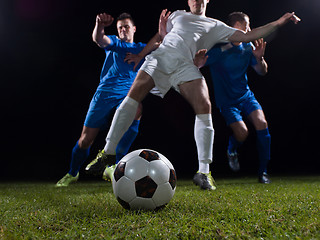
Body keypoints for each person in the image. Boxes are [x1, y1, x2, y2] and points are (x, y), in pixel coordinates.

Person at [86, 0, 300, 190]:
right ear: (188, 2)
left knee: (204, 105)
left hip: (186, 65)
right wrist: (143, 53)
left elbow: (250, 35)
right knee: (133, 95)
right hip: (161, 57)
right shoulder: (178, 15)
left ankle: (204, 172)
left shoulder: (216, 26)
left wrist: (280, 21)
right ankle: (108, 153)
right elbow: (161, 36)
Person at [55, 12, 148, 187]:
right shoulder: (115, 43)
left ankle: (113, 165)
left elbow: (160, 45)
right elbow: (100, 39)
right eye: (120, 27)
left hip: (127, 95)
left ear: (134, 29)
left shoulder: (142, 49)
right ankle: (72, 173)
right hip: (103, 95)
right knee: (85, 140)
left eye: (126, 27)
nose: (123, 30)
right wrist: (100, 25)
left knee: (137, 109)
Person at [194, 12, 272, 183]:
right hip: (227, 103)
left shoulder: (248, 47)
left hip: (246, 96)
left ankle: (263, 172)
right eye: (246, 26)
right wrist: (197, 64)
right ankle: (232, 149)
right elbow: (196, 65)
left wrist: (260, 58)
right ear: (234, 27)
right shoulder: (218, 49)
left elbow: (262, 71)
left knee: (262, 123)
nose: (249, 30)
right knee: (242, 133)